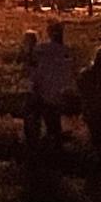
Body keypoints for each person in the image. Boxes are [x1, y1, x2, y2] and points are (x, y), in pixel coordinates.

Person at [25, 21, 77, 149]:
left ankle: (35, 145)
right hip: (59, 92)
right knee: (53, 121)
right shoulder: (67, 52)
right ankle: (55, 143)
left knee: (34, 115)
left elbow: (32, 66)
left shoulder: (42, 49)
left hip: (42, 92)